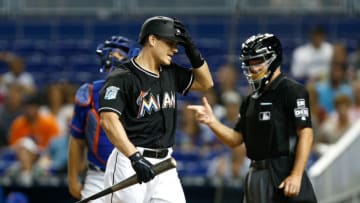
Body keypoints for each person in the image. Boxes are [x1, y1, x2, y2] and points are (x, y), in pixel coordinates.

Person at [188, 33, 317, 203]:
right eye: (249, 63)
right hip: (254, 173)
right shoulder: (251, 99)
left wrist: (296, 174)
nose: (253, 68)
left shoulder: (292, 90)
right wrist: (212, 122)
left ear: (274, 58)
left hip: (282, 170)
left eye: (257, 61)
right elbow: (235, 139)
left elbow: (306, 133)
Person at [98, 16, 213, 203]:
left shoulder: (170, 72)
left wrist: (191, 49)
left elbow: (205, 82)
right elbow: (108, 120)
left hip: (165, 164)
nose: (175, 49)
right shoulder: (123, 76)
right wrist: (134, 158)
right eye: (170, 43)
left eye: (177, 44)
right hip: (130, 161)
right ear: (152, 40)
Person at [67, 35, 139, 202]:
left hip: (133, 173)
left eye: (121, 55)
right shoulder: (89, 93)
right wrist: (72, 179)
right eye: (113, 54)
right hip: (97, 174)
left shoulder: (141, 93)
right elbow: (77, 140)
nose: (116, 59)